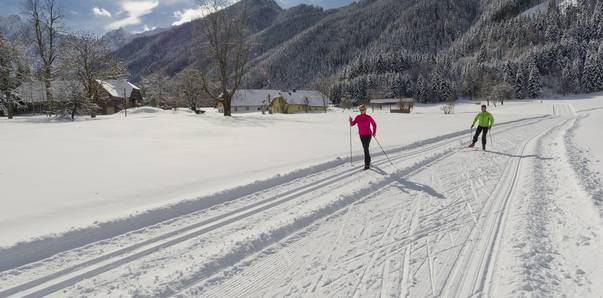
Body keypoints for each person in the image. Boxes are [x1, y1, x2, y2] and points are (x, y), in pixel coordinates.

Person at [349, 105, 377, 170]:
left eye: (363, 109)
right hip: (361, 135)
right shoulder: (358, 117)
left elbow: (374, 124)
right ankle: (368, 159)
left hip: (368, 135)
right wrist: (350, 120)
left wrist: (374, 132)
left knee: (365, 148)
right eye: (361, 110)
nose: (362, 111)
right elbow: (352, 124)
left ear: (365, 110)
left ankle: (367, 164)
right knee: (365, 148)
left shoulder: (368, 117)